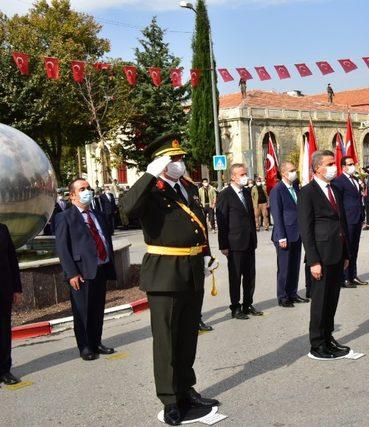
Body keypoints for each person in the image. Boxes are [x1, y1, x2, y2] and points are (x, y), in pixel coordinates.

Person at [120, 136, 218, 424]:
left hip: (192, 269)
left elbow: (197, 225)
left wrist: (206, 256)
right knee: (166, 340)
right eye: (172, 160)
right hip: (164, 273)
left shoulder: (187, 188)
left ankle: (186, 389)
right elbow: (125, 210)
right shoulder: (151, 191)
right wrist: (149, 173)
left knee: (187, 336)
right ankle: (170, 399)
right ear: (160, 163)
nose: (179, 164)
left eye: (180, 159)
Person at [55, 178, 116, 361]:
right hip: (81, 272)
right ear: (72, 195)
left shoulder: (97, 215)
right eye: (82, 189)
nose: (87, 191)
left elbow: (106, 239)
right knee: (82, 311)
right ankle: (85, 347)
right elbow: (62, 248)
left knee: (97, 309)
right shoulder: (64, 217)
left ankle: (96, 342)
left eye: (88, 188)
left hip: (100, 268)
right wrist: (71, 273)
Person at [298, 150, 351, 360]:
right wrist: (313, 261)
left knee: (332, 299)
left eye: (334, 163)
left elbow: (342, 223)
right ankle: (317, 344)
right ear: (318, 167)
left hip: (337, 253)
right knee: (320, 301)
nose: (333, 167)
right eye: (329, 164)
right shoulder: (307, 192)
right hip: (321, 255)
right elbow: (306, 229)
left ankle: (328, 337)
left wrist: (346, 253)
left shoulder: (335, 189)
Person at [217, 164, 262, 320]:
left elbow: (250, 216)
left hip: (249, 241)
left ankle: (247, 304)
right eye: (242, 174)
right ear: (233, 176)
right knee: (235, 276)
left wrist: (254, 237)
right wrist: (223, 245)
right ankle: (235, 307)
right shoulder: (225, 194)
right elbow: (222, 220)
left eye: (245, 174)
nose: (245, 176)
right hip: (234, 243)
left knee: (250, 275)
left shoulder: (247, 192)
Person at [269, 162, 308, 307]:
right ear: (283, 173)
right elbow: (277, 214)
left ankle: (293, 292)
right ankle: (283, 296)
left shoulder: (295, 187)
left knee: (294, 265)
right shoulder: (277, 190)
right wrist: (281, 236)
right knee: (284, 267)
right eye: (291, 171)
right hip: (284, 234)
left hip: (297, 232)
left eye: (295, 170)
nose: (294, 173)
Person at [333, 156, 367, 288]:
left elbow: (358, 198)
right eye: (350, 164)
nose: (353, 166)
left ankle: (353, 275)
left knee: (354, 248)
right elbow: (339, 203)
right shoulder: (339, 181)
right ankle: (345, 277)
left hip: (356, 218)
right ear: (343, 166)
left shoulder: (355, 180)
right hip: (347, 219)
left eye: (353, 163)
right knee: (347, 249)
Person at [0, 223, 22, 386]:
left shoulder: (3, 229)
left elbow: (12, 258)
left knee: (3, 331)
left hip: (3, 289)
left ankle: (4, 370)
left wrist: (16, 288)